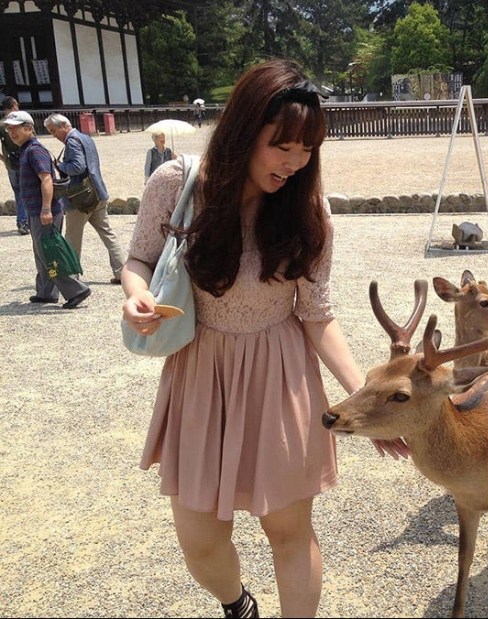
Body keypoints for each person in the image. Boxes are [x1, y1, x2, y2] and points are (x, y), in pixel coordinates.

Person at [121, 59, 409, 619]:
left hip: (281, 376)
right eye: (282, 145)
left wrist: (366, 405)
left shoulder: (309, 212)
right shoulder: (177, 183)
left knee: (289, 533)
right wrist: (134, 295)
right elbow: (139, 259)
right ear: (244, 128)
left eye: (308, 149)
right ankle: (237, 604)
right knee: (199, 538)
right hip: (201, 373)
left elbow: (318, 316)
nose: (295, 162)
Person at [2, 110, 91, 308]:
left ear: (29, 128)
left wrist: (45, 209)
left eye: (15, 129)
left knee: (49, 252)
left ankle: (77, 290)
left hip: (44, 210)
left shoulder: (34, 150)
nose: (11, 133)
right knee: (41, 251)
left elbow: (47, 179)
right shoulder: (27, 150)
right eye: (8, 129)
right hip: (36, 210)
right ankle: (46, 292)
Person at [45, 113, 127, 285]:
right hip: (97, 192)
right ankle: (122, 273)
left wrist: (59, 166)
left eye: (54, 130)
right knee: (108, 233)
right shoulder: (86, 138)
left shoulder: (72, 141)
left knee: (72, 238)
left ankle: (71, 279)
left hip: (80, 198)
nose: (54, 135)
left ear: (64, 126)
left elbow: (78, 166)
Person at [1, 96, 27, 235]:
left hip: (10, 163)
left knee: (18, 192)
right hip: (24, 161)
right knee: (27, 190)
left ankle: (22, 220)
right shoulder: (22, 121)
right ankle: (25, 221)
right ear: (14, 106)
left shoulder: (1, 124)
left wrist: (3, 158)